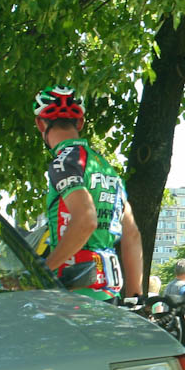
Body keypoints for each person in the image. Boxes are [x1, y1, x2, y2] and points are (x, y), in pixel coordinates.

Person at [35, 85, 143, 301]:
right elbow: (131, 234)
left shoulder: (64, 162)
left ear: (40, 124)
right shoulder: (106, 168)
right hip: (109, 294)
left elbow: (86, 220)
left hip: (73, 294)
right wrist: (135, 299)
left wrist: (42, 271)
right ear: (80, 123)